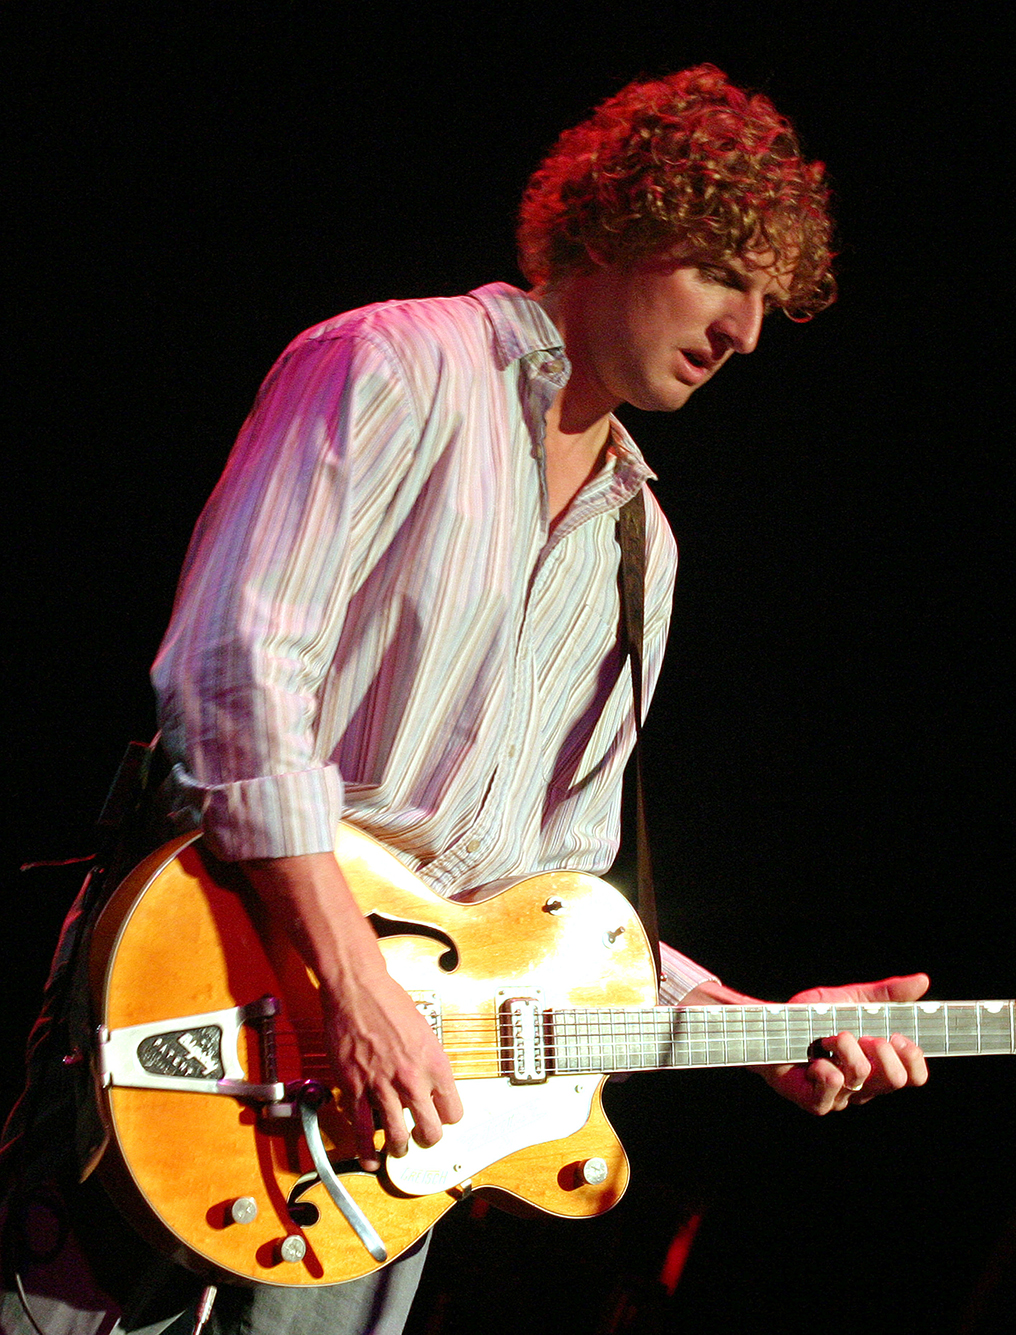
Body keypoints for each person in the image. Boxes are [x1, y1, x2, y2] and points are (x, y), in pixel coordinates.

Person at [1, 65, 928, 1335]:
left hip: (395, 1142)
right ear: (617, 223)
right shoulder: (393, 364)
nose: (747, 332)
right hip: (213, 1008)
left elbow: (542, 901)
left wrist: (745, 1023)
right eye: (723, 272)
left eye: (772, 298)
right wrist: (352, 985)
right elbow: (232, 676)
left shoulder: (642, 545)